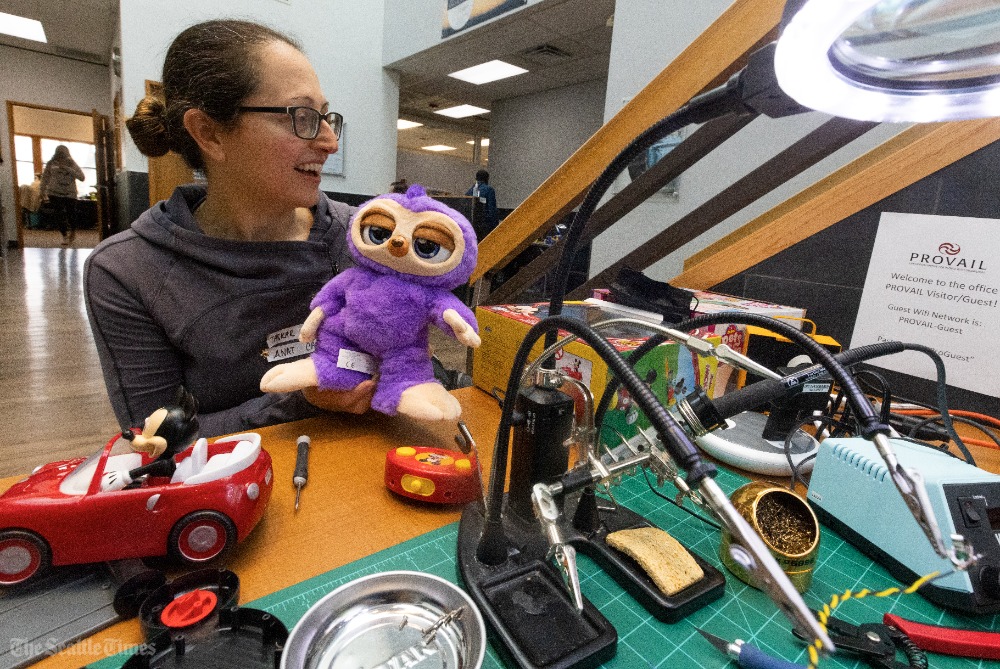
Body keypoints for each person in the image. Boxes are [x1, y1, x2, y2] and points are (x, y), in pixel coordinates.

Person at [85, 19, 375, 439]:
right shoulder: (126, 272)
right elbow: (154, 440)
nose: (330, 142)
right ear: (208, 133)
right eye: (303, 116)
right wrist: (300, 401)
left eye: (326, 117)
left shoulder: (366, 238)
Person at [39, 146, 85, 245]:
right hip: (54, 193)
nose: (61, 155)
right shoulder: (51, 164)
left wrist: (68, 169)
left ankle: (73, 231)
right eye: (59, 153)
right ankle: (64, 236)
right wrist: (42, 190)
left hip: (70, 193)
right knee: (59, 215)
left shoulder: (72, 164)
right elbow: (45, 177)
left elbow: (82, 177)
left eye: (63, 153)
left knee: (71, 214)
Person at [465, 169, 498, 237]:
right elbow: (492, 209)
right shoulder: (489, 190)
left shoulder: (469, 191)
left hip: (471, 226)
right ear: (487, 178)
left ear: (476, 178)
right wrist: (496, 226)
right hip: (485, 226)